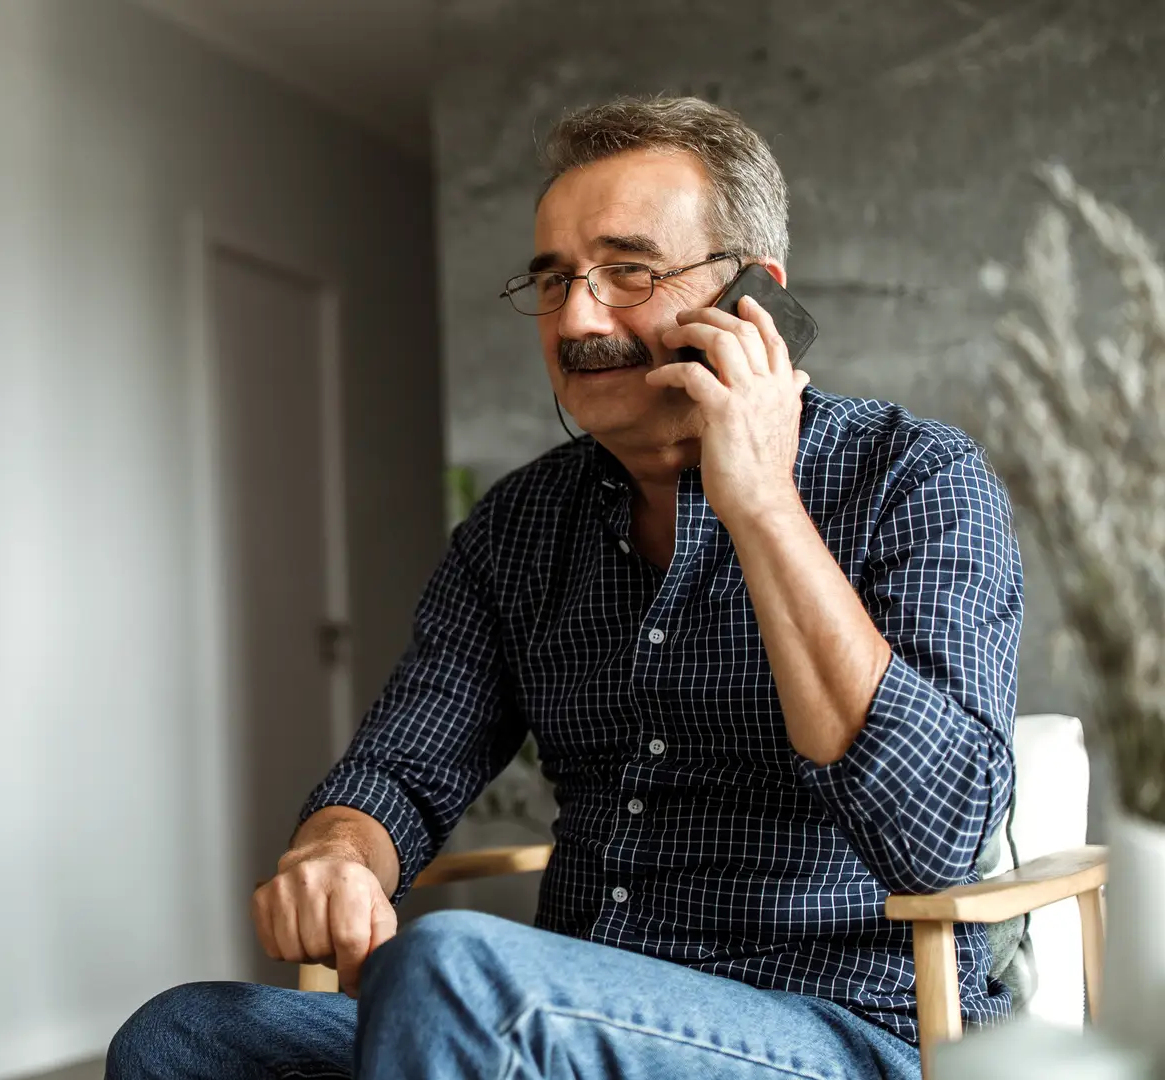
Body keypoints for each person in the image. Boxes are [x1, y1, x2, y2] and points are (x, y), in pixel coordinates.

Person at [106, 96, 1023, 1079]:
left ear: (754, 294)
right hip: (573, 1011)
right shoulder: (519, 527)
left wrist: (759, 499)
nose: (579, 319)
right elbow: (401, 774)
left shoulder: (915, 477)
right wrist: (336, 851)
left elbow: (939, 838)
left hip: (843, 1025)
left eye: (628, 271)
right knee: (186, 1034)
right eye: (553, 281)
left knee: (455, 971)